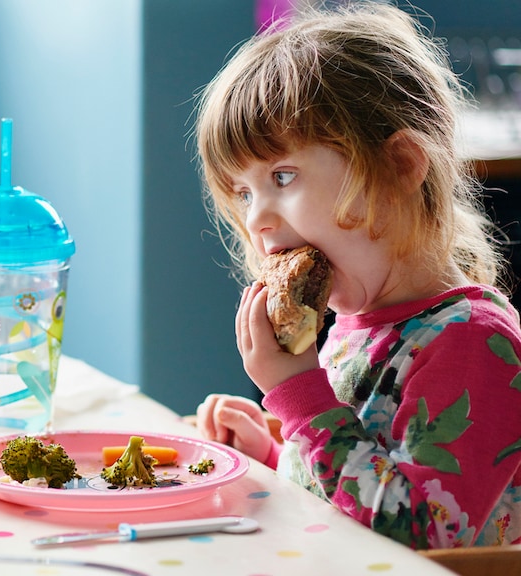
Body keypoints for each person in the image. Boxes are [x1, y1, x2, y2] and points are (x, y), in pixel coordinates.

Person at [192, 2, 521, 550]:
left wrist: (300, 399)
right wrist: (275, 455)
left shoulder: (473, 343)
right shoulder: (356, 327)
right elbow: (360, 488)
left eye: (282, 175)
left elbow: (425, 535)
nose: (255, 218)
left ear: (399, 166)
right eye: (244, 193)